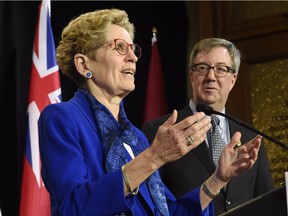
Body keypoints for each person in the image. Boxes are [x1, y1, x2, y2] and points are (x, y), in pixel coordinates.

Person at [38, 10, 262, 216]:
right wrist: (154, 157)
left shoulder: (135, 138)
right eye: (119, 47)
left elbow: (169, 212)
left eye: (132, 49)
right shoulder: (62, 118)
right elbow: (73, 207)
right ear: (83, 64)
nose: (133, 58)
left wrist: (218, 179)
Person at [142, 38, 274, 215]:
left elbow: (266, 203)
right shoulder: (162, 130)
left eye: (221, 69)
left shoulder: (250, 136)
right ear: (192, 75)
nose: (211, 77)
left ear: (233, 79)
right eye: (203, 68)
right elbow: (150, 205)